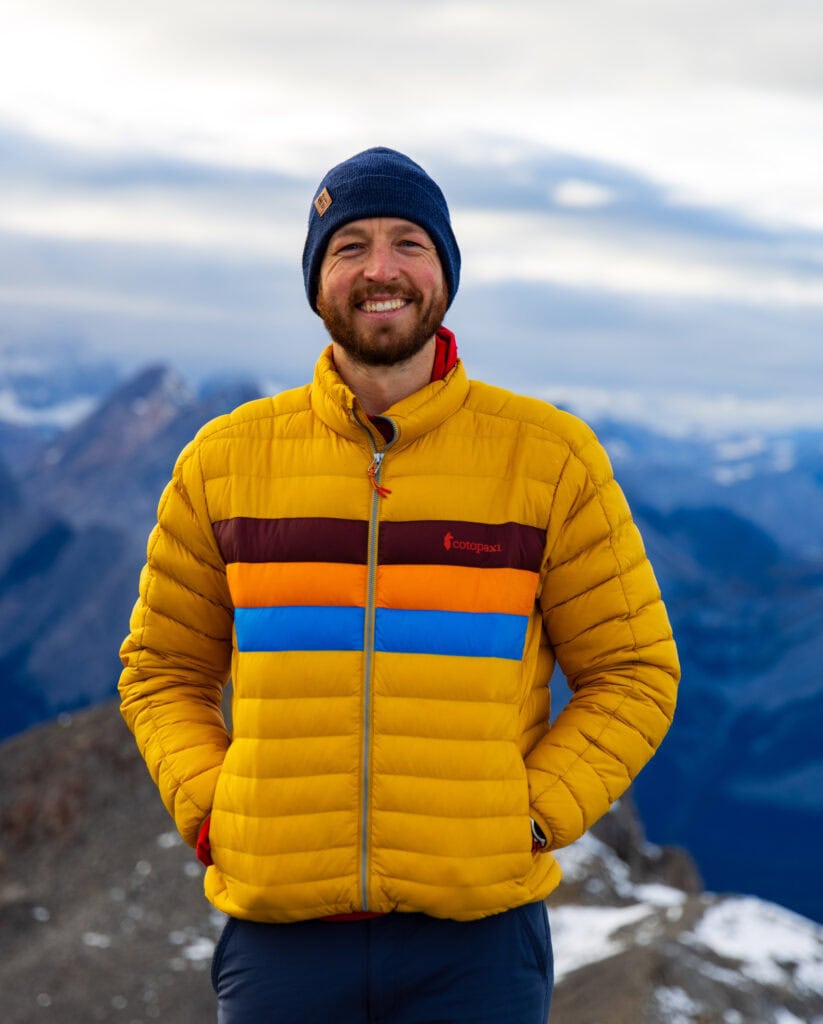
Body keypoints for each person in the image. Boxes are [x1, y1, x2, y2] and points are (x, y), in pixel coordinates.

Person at [119, 147, 680, 1023]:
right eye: (349, 247)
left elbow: (634, 672)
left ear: (444, 273)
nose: (380, 270)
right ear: (316, 282)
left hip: (477, 942)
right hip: (281, 941)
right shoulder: (224, 462)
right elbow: (161, 672)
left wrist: (527, 817)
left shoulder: (546, 458)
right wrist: (213, 810)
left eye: (408, 243)